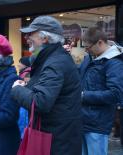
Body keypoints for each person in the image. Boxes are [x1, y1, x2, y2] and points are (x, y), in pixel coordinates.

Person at [11, 16, 82, 155]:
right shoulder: (51, 59)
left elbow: (40, 102)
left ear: (45, 38)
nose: (26, 37)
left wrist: (17, 90)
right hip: (57, 138)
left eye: (31, 33)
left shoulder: (54, 63)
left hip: (56, 142)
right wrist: (26, 87)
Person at [79, 27, 123, 155]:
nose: (86, 50)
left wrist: (83, 96)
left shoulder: (115, 63)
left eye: (88, 47)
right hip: (82, 120)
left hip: (98, 124)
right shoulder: (90, 58)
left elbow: (115, 94)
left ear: (100, 42)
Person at [17, 56, 31, 138]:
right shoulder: (24, 73)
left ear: (25, 64)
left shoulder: (27, 74)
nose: (19, 65)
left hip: (24, 104)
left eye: (20, 63)